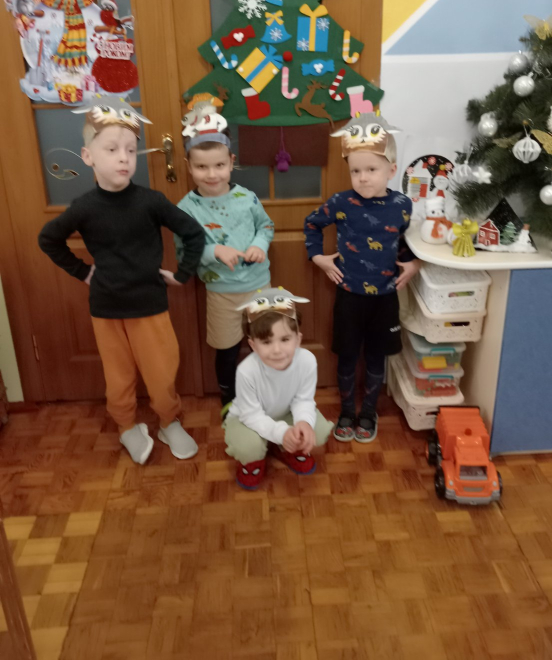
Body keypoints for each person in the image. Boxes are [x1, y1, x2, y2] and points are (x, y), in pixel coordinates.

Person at [38, 96, 204, 465]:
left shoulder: (151, 201)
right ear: (88, 156)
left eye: (131, 149)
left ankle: (168, 421)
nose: (124, 158)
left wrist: (183, 274)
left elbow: (193, 233)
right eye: (112, 149)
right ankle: (127, 426)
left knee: (161, 374)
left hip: (150, 307)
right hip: (106, 309)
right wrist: (83, 272)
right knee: (118, 377)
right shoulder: (83, 207)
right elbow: (48, 239)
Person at [304, 111, 420, 443]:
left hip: (385, 298)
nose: (363, 178)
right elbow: (312, 224)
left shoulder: (402, 205)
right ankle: (346, 411)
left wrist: (412, 264)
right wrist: (318, 257)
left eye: (371, 170)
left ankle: (368, 412)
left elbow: (403, 241)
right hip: (349, 297)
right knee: (347, 356)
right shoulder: (341, 202)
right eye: (356, 171)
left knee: (375, 358)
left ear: (391, 170)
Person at [175, 97, 274, 418]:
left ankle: (266, 396)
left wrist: (260, 244)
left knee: (266, 345)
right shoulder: (185, 209)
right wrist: (214, 250)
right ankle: (229, 401)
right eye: (201, 167)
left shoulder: (247, 197)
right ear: (188, 166)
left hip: (259, 287)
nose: (211, 174)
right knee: (227, 350)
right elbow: (184, 253)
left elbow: (266, 226)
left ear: (231, 162)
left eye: (219, 165)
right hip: (220, 293)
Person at [223, 287, 333, 490]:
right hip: (247, 418)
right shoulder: (246, 371)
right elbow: (251, 415)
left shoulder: (307, 361)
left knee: (316, 430)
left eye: (285, 339)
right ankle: (256, 458)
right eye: (266, 342)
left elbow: (303, 400)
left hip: (285, 413)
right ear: (253, 345)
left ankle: (285, 447)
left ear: (298, 339)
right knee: (248, 447)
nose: (277, 350)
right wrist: (281, 432)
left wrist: (303, 422)